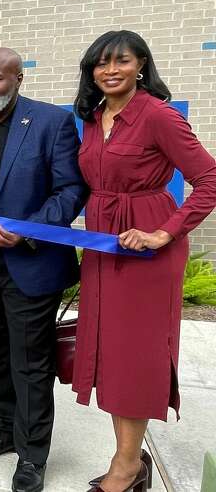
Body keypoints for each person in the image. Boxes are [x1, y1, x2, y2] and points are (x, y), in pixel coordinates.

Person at [72, 31, 216, 492]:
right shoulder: (94, 118)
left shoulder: (158, 115)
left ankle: (127, 465)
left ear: (141, 66)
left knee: (133, 355)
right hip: (104, 241)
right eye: (101, 63)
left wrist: (165, 231)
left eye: (121, 61)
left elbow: (210, 179)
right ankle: (129, 459)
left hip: (146, 246)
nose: (110, 70)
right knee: (110, 354)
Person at [0, 48, 87, 492]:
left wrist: (27, 230)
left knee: (30, 362)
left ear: (18, 80)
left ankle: (32, 456)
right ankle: (4, 431)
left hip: (31, 263)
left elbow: (70, 190)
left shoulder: (52, 123)